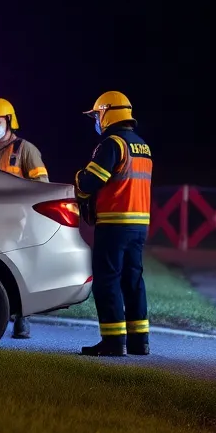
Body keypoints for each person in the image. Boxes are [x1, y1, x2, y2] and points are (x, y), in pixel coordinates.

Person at [73, 91, 152, 357]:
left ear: (108, 112)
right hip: (139, 225)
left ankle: (113, 342)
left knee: (107, 281)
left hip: (114, 223)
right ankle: (140, 341)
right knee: (133, 280)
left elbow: (90, 182)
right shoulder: (142, 145)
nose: (96, 120)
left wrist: (78, 182)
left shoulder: (112, 144)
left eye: (97, 115)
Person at [0, 98, 49, 339]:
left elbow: (42, 186)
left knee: (19, 271)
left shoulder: (25, 150)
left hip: (18, 224)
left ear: (9, 122)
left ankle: (22, 319)